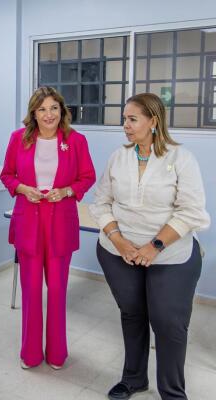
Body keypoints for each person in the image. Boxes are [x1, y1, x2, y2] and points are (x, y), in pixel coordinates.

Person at [89, 93, 210, 400]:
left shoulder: (180, 158)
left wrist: (153, 247)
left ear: (153, 121)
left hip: (171, 255)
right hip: (119, 252)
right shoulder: (119, 157)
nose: (125, 126)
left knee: (169, 323)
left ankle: (172, 393)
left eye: (132, 119)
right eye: (124, 119)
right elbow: (101, 203)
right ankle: (133, 379)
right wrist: (119, 241)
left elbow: (192, 212)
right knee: (132, 313)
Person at [0, 86, 96, 369]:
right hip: (28, 220)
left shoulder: (75, 140)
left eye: (54, 108)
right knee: (31, 291)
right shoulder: (18, 139)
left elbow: (87, 176)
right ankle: (30, 353)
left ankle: (57, 353)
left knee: (56, 290)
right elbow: (7, 175)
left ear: (62, 110)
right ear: (33, 113)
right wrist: (22, 188)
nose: (48, 114)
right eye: (42, 109)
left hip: (60, 221)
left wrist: (66, 191)